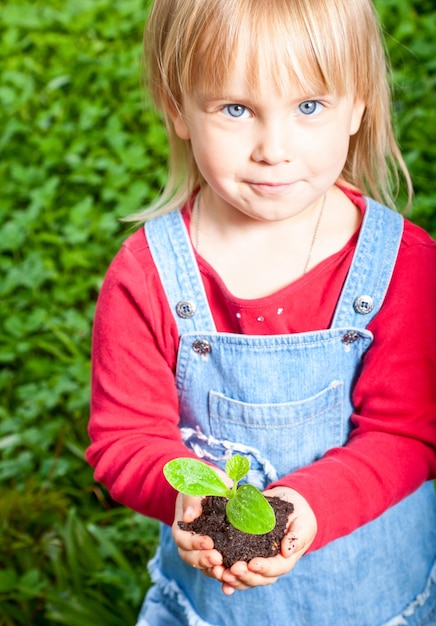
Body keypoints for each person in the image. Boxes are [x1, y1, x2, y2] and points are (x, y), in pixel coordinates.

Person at [86, 0, 436, 624]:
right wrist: (188, 496)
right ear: (178, 107)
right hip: (210, 609)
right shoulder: (149, 276)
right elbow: (125, 438)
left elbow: (405, 432)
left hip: (376, 598)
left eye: (309, 106)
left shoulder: (403, 266)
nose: (273, 149)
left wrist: (308, 504)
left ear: (357, 104)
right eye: (236, 109)